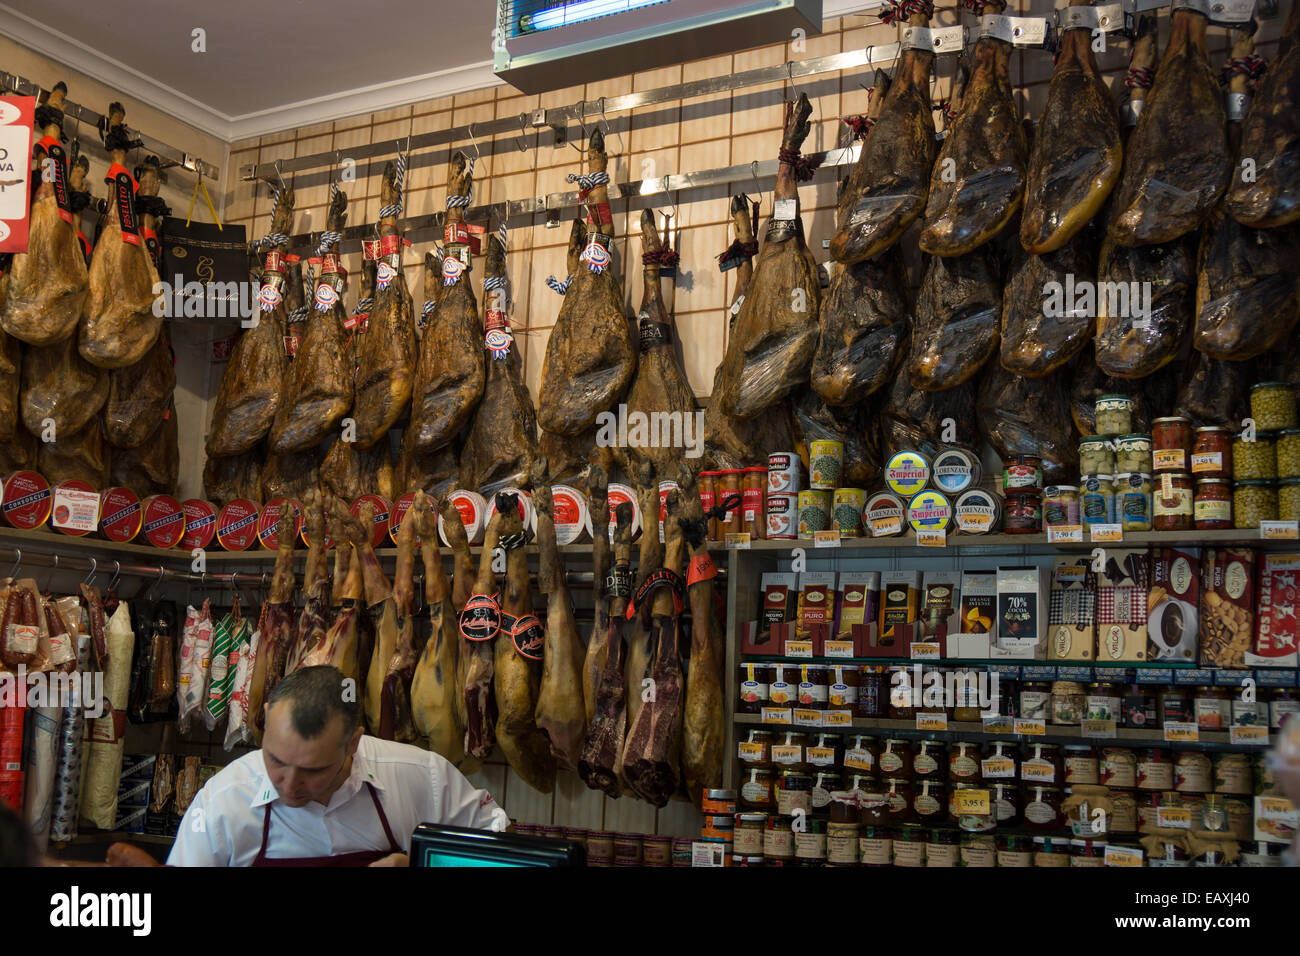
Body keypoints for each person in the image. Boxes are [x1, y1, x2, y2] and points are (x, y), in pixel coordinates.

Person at [168, 666, 504, 866]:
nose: (289, 785)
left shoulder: (421, 777)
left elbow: (505, 855)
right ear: (266, 719)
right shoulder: (222, 801)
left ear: (353, 743)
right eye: (276, 760)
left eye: (313, 770)